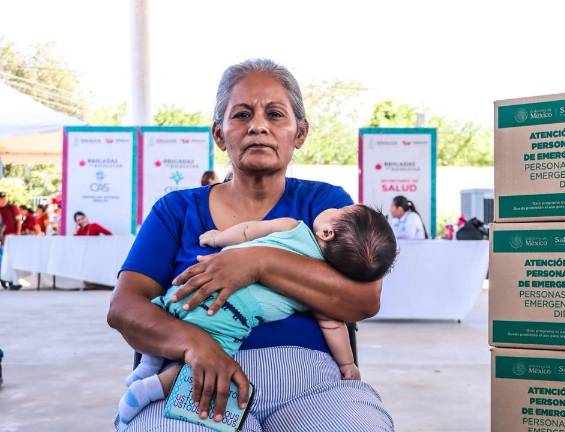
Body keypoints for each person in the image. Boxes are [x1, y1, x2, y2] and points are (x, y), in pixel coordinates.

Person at [107, 58, 394, 431]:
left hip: (311, 383)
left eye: (275, 114)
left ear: (300, 133)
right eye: (242, 115)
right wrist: (197, 345)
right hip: (201, 378)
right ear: (220, 134)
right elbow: (124, 307)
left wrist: (259, 263)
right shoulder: (176, 210)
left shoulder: (325, 205)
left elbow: (364, 299)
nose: (258, 125)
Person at [117, 204, 396, 427]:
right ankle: (152, 388)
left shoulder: (294, 226)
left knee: (168, 309)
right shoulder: (323, 282)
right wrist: (347, 364)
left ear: (326, 233)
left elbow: (248, 231)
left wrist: (218, 239)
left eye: (339, 212)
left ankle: (148, 369)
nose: (260, 129)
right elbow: (333, 324)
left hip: (207, 305)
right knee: (197, 365)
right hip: (227, 329)